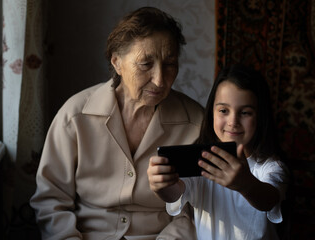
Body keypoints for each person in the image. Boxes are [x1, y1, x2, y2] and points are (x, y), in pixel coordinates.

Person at [30, 6, 204, 240]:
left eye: (170, 64)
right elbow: (51, 200)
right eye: (145, 64)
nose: (160, 79)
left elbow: (195, 209)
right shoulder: (75, 117)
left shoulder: (195, 123)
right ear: (117, 62)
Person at [147, 64, 289, 239]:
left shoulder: (270, 167)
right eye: (223, 111)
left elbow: (268, 200)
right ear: (212, 113)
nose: (233, 121)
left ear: (260, 117)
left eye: (245, 112)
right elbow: (174, 193)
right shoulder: (200, 160)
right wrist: (160, 185)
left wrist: (245, 184)